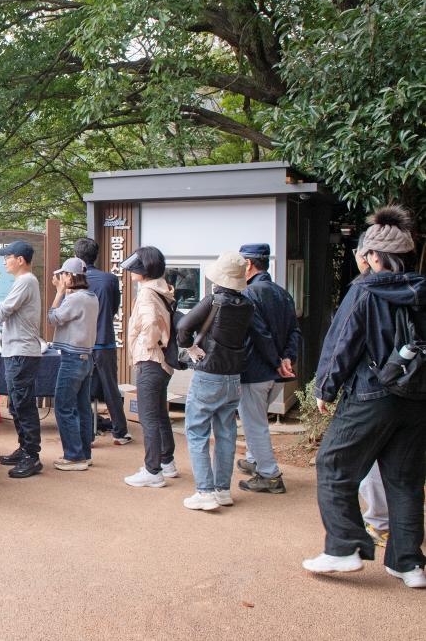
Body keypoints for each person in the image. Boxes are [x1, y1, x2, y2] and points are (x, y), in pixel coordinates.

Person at [303, 206, 426, 589]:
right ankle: (408, 564)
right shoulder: (422, 290)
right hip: (418, 399)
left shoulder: (366, 290)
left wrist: (325, 387)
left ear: (374, 256)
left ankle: (343, 548)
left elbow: (343, 341)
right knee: (405, 480)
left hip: (372, 393)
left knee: (334, 464)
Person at [176, 252, 254, 511]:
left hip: (208, 375)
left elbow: (184, 327)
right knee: (226, 433)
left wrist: (191, 349)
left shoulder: (213, 301)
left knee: (197, 432)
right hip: (233, 377)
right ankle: (222, 490)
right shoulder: (247, 304)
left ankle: (205, 492)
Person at [236, 243, 302, 494]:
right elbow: (295, 330)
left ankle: (270, 475)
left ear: (249, 264)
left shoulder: (250, 293)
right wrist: (287, 359)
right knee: (258, 420)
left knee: (254, 424)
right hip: (277, 373)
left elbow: (259, 334)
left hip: (256, 371)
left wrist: (276, 361)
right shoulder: (281, 292)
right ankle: (254, 461)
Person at [0, 241, 44, 479]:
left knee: (23, 404)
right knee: (15, 403)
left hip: (22, 352)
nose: (4, 261)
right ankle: (24, 448)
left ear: (20, 260)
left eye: (7, 257)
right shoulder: (23, 281)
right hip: (16, 350)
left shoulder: (27, 280)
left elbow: (5, 309)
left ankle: (32, 456)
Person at [121, 246, 179, 489]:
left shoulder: (146, 293)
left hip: (150, 360)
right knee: (159, 413)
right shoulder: (162, 289)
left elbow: (151, 324)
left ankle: (152, 470)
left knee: (148, 417)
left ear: (143, 269)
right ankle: (167, 462)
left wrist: (145, 347)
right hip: (162, 362)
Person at [75, 237, 132, 445]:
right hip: (105, 340)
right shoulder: (110, 279)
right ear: (96, 256)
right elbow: (114, 309)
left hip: (82, 343)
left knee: (81, 388)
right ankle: (120, 431)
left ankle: (87, 434)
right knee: (110, 388)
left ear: (76, 256)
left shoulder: (74, 279)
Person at [48, 257, 100, 472]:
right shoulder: (91, 296)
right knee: (82, 406)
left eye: (63, 275)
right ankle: (84, 453)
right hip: (86, 356)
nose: (60, 279)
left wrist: (59, 293)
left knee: (63, 406)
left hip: (72, 357)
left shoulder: (75, 299)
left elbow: (54, 318)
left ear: (70, 276)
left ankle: (74, 456)